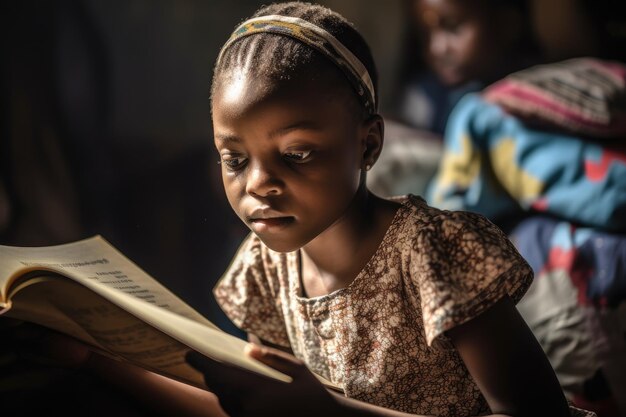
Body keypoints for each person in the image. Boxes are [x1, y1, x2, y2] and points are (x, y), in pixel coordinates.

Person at [7, 2, 596, 416]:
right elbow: (253, 408)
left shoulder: (431, 253)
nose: (259, 184)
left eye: (296, 154)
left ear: (368, 143)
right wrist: (93, 359)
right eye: (234, 159)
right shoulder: (267, 268)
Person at [391, 0, 542, 135]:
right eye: (424, 34)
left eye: (453, 27)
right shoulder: (424, 97)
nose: (436, 48)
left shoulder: (537, 98)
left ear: (507, 22)